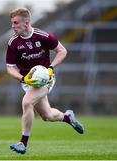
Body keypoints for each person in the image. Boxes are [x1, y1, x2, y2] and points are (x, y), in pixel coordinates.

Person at [5, 7, 84, 154]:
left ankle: (23, 143)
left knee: (27, 102)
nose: (13, 26)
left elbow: (62, 51)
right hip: (28, 83)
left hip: (46, 78)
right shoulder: (13, 43)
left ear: (26, 23)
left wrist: (51, 68)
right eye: (12, 23)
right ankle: (67, 117)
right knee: (47, 115)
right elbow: (10, 67)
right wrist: (23, 78)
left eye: (16, 23)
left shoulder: (43, 36)